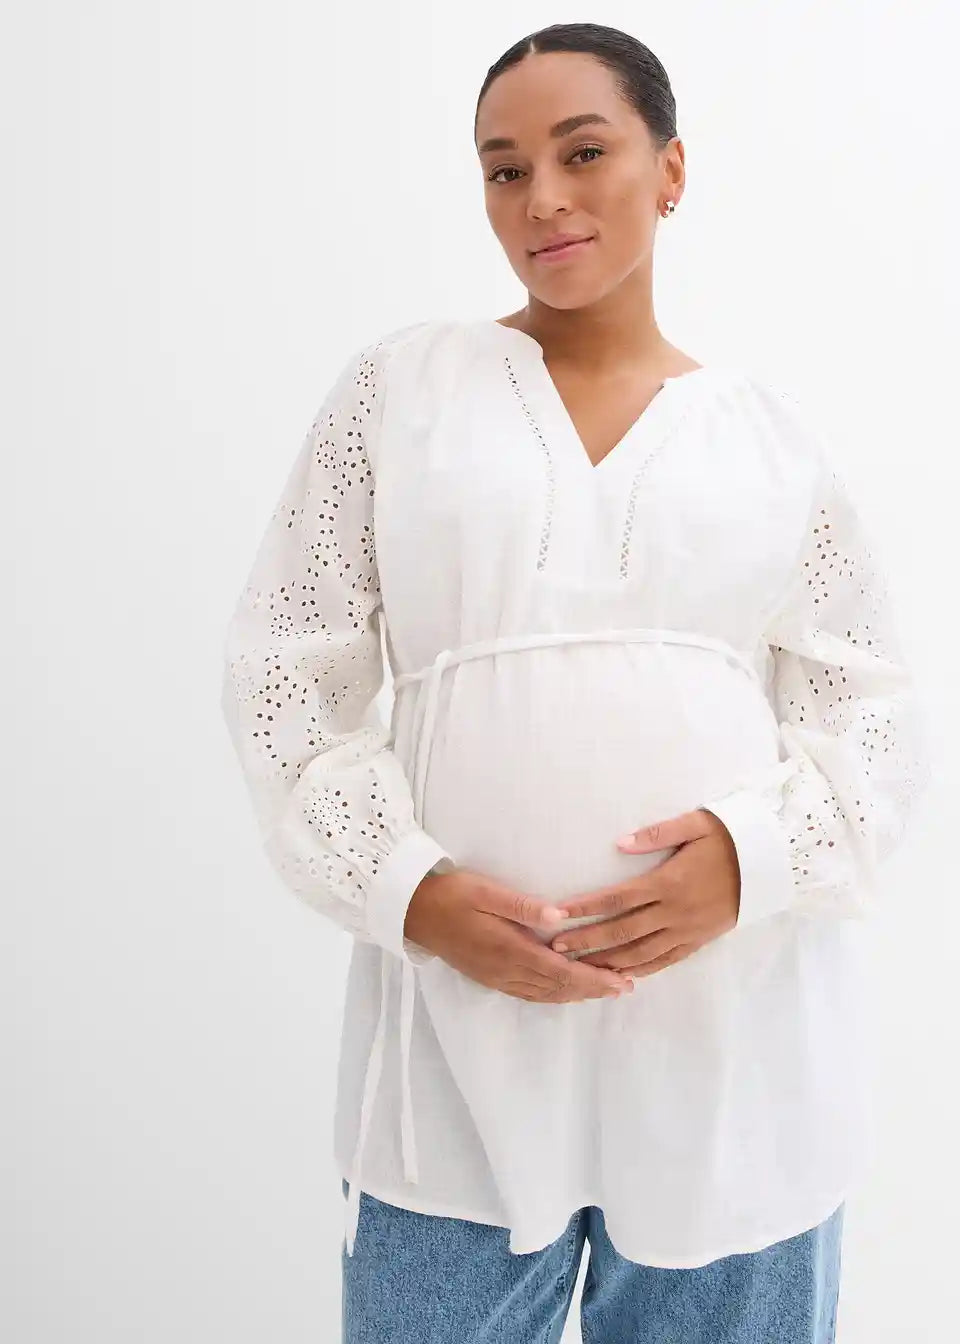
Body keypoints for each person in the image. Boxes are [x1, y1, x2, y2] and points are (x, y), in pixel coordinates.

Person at [219, 21, 930, 1344]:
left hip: (733, 1061)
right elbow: (284, 680)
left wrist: (751, 862)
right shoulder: (400, 393)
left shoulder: (769, 438)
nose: (540, 196)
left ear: (671, 170)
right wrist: (408, 890)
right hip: (456, 1055)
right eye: (504, 169)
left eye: (582, 152)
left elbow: (871, 711)